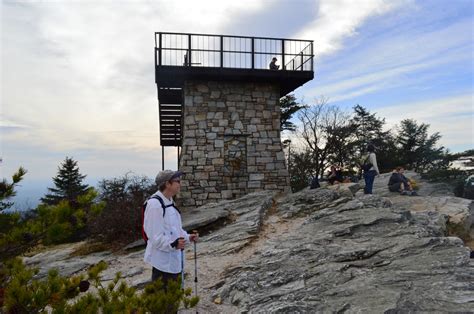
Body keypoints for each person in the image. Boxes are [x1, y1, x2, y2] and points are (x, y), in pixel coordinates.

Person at [143, 170, 198, 288]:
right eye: (177, 181)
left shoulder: (169, 202)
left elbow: (176, 229)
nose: (180, 184)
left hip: (174, 261)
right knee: (163, 301)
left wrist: (188, 237)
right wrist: (173, 244)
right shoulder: (155, 205)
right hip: (162, 264)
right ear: (167, 184)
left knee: (174, 298)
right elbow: (154, 236)